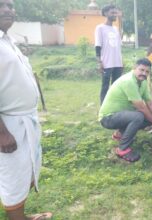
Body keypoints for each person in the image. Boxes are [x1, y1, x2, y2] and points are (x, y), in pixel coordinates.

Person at [0, 0, 52, 219]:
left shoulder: (8, 41)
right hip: (8, 124)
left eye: (10, 6)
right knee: (13, 174)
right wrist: (2, 133)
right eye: (1, 5)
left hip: (24, 120)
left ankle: (22, 216)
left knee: (25, 170)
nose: (8, 10)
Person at [99, 58, 152, 162]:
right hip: (108, 118)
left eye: (147, 71)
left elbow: (150, 103)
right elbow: (141, 107)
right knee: (139, 116)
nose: (144, 73)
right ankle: (122, 149)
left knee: (148, 117)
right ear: (134, 68)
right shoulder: (129, 81)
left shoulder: (142, 82)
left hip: (121, 115)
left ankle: (119, 134)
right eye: (141, 70)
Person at [95, 4, 123, 104]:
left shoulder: (116, 29)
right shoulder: (100, 28)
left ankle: (113, 106)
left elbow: (119, 46)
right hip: (106, 63)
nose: (115, 15)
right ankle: (103, 109)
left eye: (115, 13)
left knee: (116, 87)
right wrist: (99, 62)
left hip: (117, 63)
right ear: (106, 13)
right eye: (112, 13)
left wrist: (121, 62)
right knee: (105, 87)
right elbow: (98, 46)